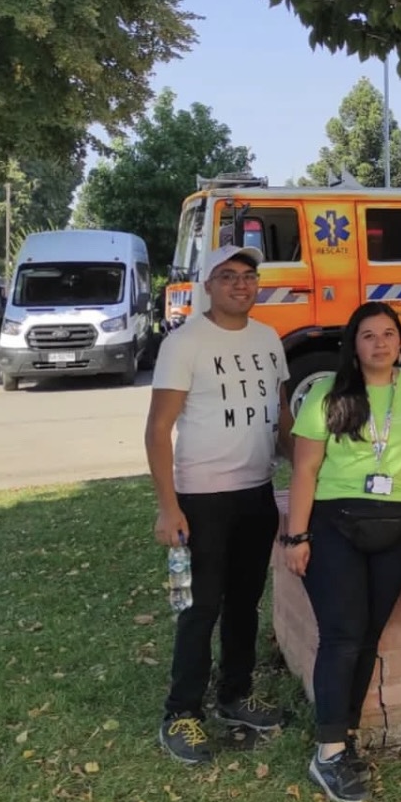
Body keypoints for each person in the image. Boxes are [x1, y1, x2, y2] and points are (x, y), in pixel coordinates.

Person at [281, 302, 401, 802]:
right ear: (353, 343)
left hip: (398, 523)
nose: (380, 343)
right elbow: (305, 471)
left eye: (389, 334)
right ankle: (329, 752)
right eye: (369, 335)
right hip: (335, 523)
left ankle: (344, 732)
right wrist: (296, 536)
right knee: (342, 635)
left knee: (368, 634)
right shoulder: (327, 393)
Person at [145, 245, 294, 765]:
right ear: (207, 285)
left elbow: (281, 417)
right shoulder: (185, 343)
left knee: (243, 603)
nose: (240, 284)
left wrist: (305, 472)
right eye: (227, 276)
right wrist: (169, 508)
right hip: (201, 496)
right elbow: (158, 429)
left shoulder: (269, 338)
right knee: (199, 607)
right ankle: (180, 712)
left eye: (248, 276)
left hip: (256, 492)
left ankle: (235, 694)